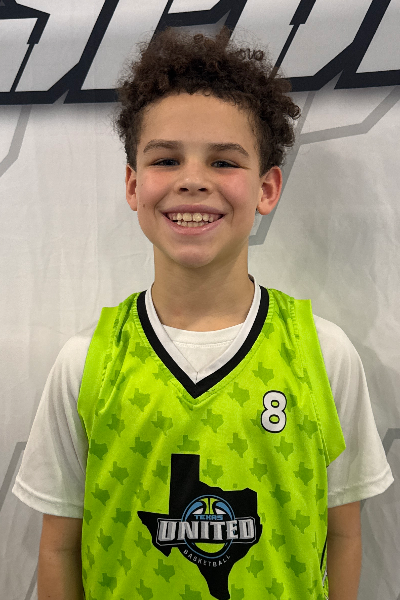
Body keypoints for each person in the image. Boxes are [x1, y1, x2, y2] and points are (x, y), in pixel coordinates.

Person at [13, 27, 393, 600]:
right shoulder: (86, 363)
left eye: (223, 161)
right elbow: (60, 547)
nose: (193, 180)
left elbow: (342, 535)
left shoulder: (323, 354)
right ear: (133, 185)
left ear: (267, 188)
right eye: (167, 159)